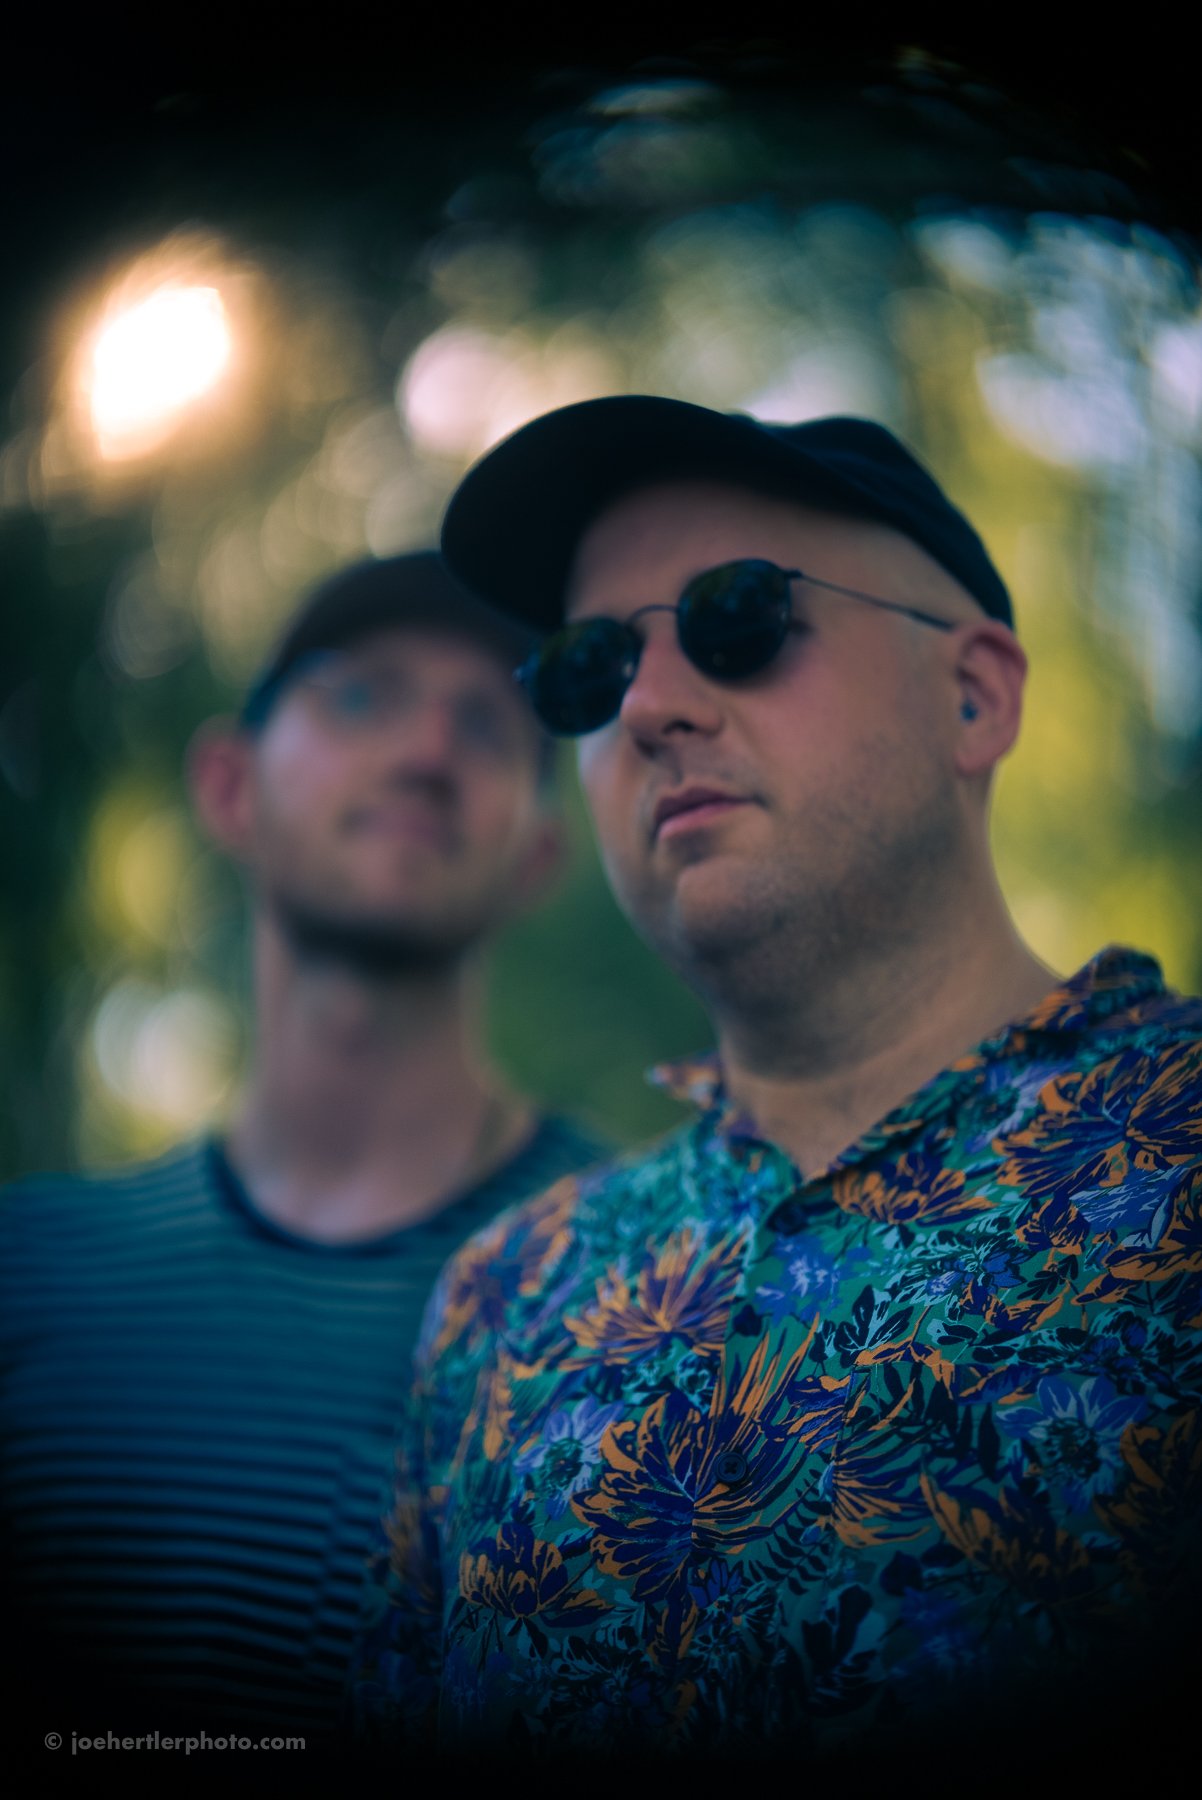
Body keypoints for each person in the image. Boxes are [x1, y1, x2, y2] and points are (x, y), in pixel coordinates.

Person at [350, 399, 1202, 1768]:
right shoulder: (502, 1297)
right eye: (588, 667)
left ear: (971, 696)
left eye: (738, 616)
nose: (648, 706)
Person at [0, 551, 607, 1757]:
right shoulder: (26, 1274)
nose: (428, 752)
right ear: (230, 786)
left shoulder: (638, 1291)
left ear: (534, 857)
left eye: (487, 726)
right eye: (362, 695)